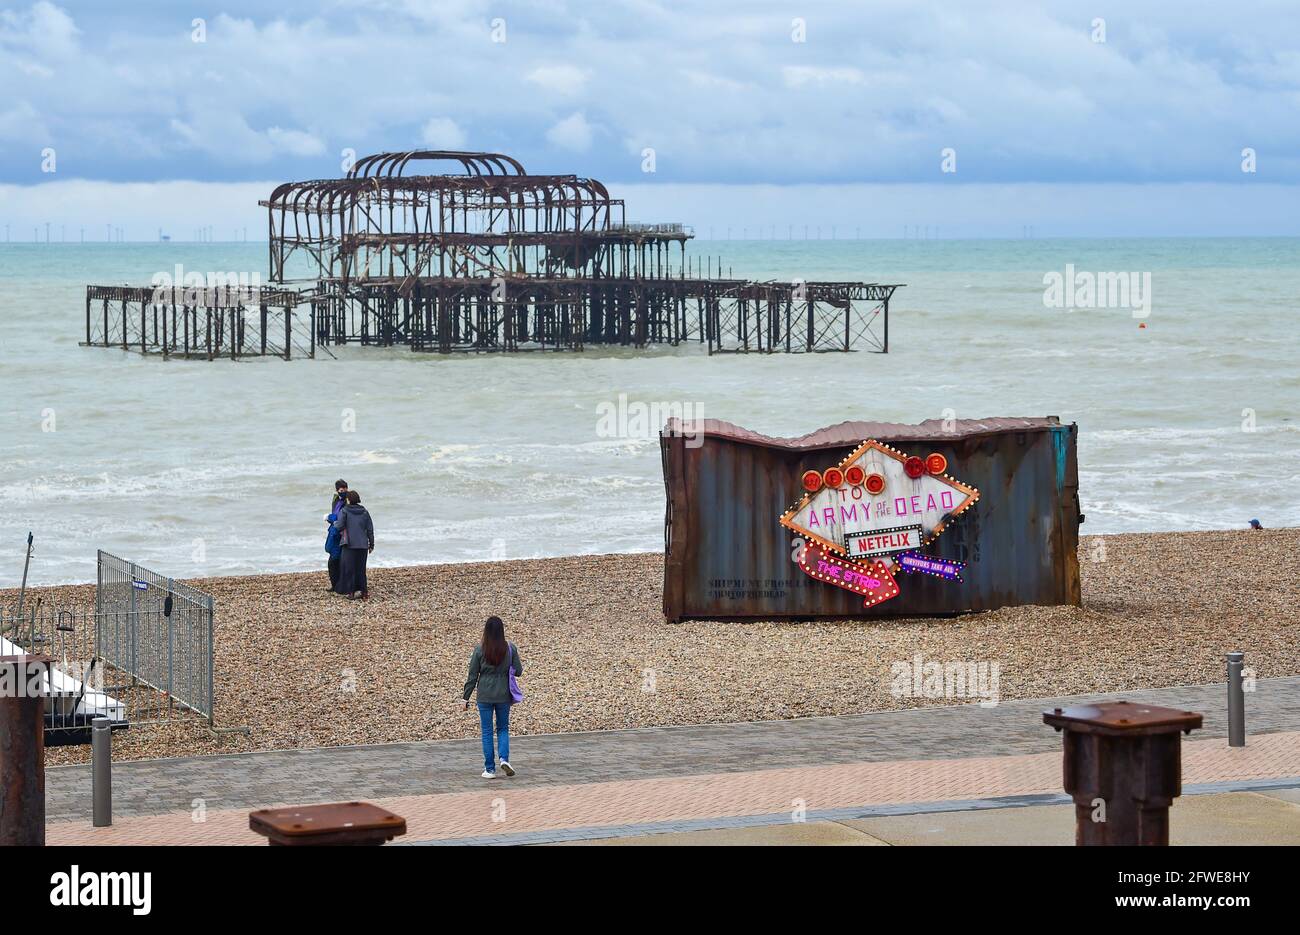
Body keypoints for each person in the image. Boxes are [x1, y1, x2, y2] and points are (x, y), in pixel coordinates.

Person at [462, 616, 522, 779]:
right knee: (503, 728)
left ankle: (490, 769)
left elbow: (472, 675)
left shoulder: (480, 649)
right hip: (503, 694)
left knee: (487, 731)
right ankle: (504, 759)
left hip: (485, 696)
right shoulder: (510, 648)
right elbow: (518, 671)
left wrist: (465, 698)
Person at [333, 490, 374, 599]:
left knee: (350, 569)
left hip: (349, 545)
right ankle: (364, 593)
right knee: (361, 570)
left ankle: (351, 593)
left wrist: (333, 522)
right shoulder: (365, 512)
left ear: (348, 499)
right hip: (363, 545)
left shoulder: (345, 511)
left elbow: (340, 526)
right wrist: (371, 544)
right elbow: (370, 529)